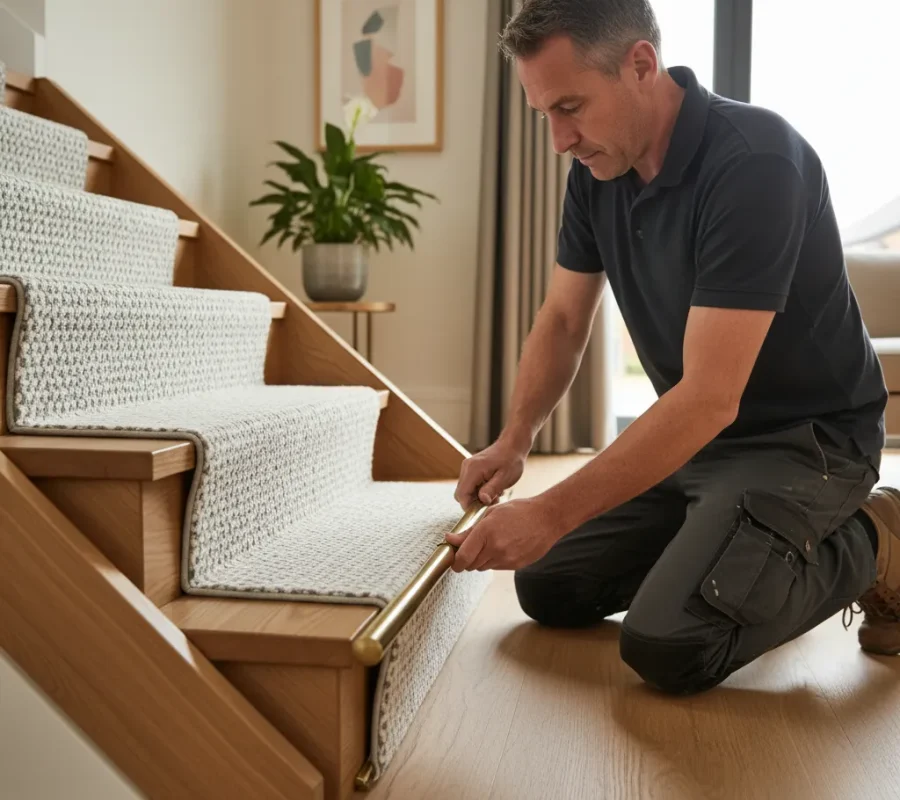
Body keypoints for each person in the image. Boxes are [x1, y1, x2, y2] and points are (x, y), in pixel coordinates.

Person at [447, 0, 900, 694]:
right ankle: (737, 550)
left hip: (807, 443)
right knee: (549, 587)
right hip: (700, 445)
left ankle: (879, 538)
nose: (559, 139)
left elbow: (711, 397)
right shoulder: (596, 175)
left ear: (641, 65)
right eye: (544, 114)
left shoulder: (756, 164)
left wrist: (549, 510)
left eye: (571, 106)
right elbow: (565, 319)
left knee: (671, 644)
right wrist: (514, 440)